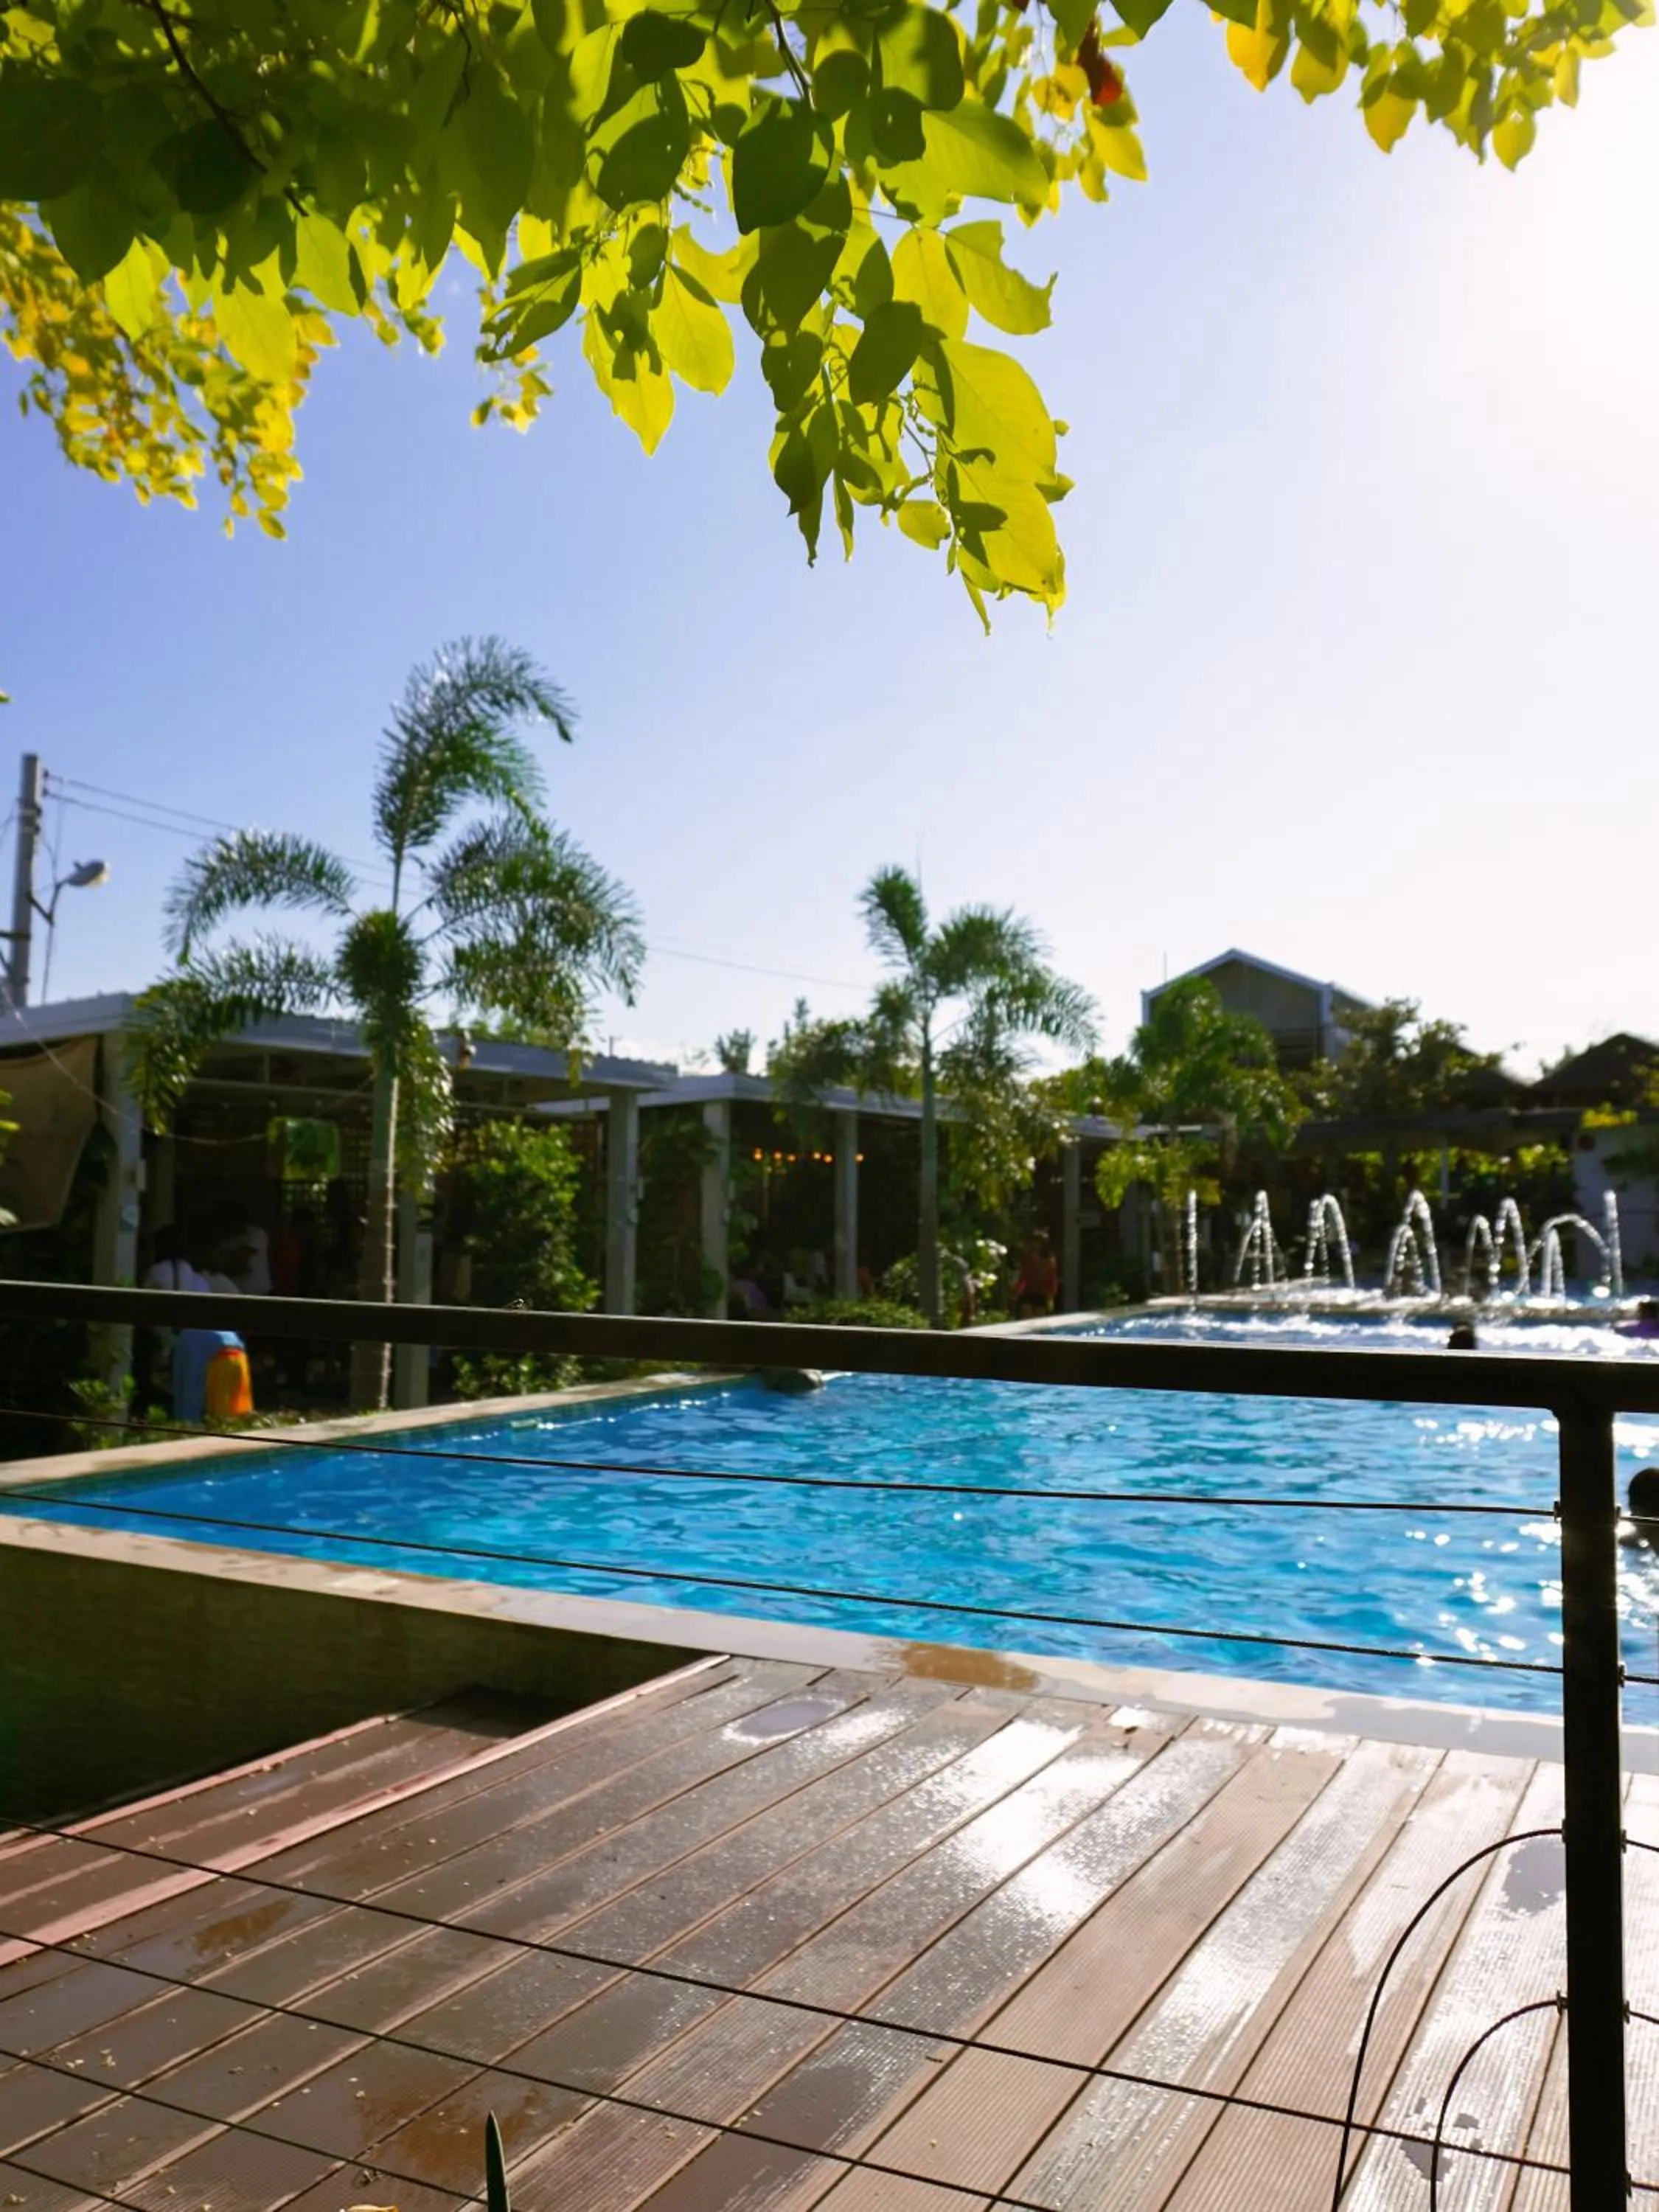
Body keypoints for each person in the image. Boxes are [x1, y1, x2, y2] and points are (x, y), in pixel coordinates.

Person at [1013, 1232, 1058, 1321]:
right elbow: (1024, 1275)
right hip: (1028, 1292)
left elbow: (1052, 1277)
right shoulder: (1028, 1257)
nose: (1036, 1244)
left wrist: (1052, 1293)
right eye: (1034, 1241)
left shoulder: (1049, 1260)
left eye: (1038, 1241)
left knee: (1039, 1320)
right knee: (1027, 1316)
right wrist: (1017, 1290)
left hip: (1042, 1293)